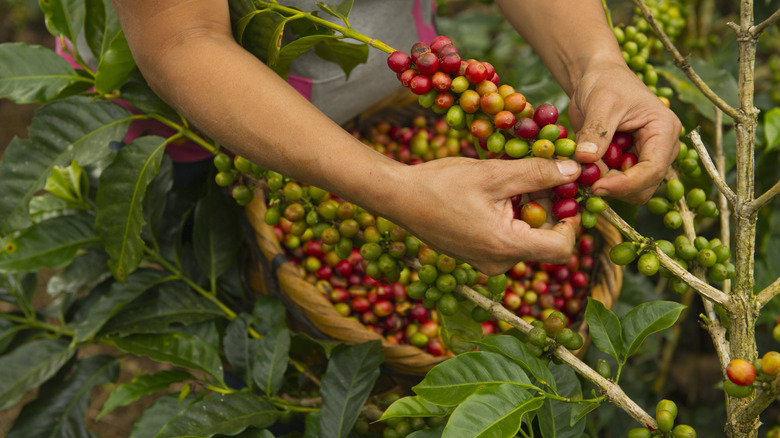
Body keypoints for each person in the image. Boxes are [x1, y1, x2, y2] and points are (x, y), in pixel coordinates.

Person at [111, 0, 681, 276]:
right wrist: (392, 188)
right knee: (222, 274)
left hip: (385, 78)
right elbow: (182, 37)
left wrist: (596, 62)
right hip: (197, 124)